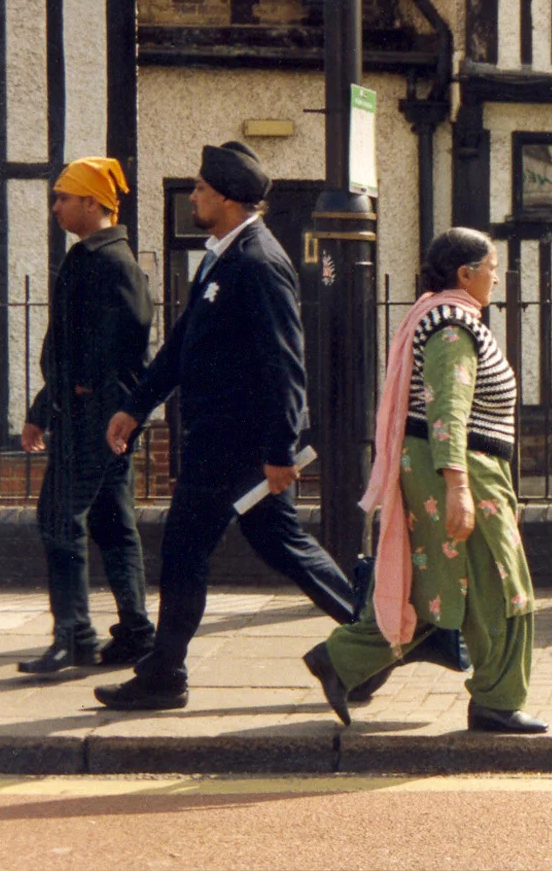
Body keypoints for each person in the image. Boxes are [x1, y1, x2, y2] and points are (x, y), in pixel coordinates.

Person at [94, 142, 356, 711]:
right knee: (278, 543)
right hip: (224, 442)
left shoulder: (259, 262)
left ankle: (165, 676)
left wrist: (282, 447)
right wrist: (137, 406)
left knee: (187, 548)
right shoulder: (223, 254)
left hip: (236, 446)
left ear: (229, 199)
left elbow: (286, 360)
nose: (193, 197)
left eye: (200, 190)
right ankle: (378, 637)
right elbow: (184, 343)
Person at [303, 229, 545, 733]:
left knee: (434, 586)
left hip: (456, 466)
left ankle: (341, 661)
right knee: (503, 583)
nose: (496, 276)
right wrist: (458, 485)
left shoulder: (442, 317)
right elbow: (447, 413)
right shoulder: (452, 327)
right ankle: (497, 701)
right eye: (491, 266)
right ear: (465, 274)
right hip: (463, 469)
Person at [17, 159, 155, 675]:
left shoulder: (114, 262)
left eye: (63, 198)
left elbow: (132, 337)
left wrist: (91, 389)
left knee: (57, 518)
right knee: (111, 523)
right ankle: (137, 633)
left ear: (92, 203)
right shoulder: (87, 257)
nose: (55, 207)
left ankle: (74, 637)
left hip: (94, 418)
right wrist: (41, 410)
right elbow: (65, 342)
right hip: (82, 413)